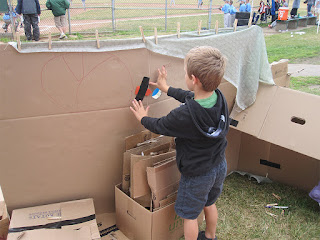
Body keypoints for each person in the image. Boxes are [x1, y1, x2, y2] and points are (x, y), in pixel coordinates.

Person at [130, 46, 230, 240]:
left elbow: (160, 126)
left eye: (185, 73)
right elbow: (189, 96)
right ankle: (210, 236)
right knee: (209, 203)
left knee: (190, 216)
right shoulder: (218, 97)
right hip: (218, 165)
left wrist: (143, 118)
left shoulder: (185, 116)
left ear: (194, 79)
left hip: (198, 174)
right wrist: (165, 87)